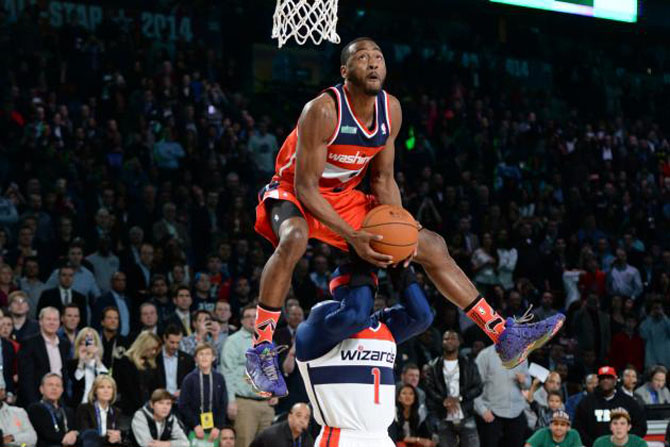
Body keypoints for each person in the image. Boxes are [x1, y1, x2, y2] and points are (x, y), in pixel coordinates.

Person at [246, 37, 565, 397]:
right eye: (362, 58)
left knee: (430, 243)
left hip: (344, 197)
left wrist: (401, 228)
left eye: (378, 57)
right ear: (344, 71)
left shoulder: (391, 110)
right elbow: (306, 188)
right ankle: (260, 348)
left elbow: (382, 180)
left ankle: (501, 334)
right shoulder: (322, 110)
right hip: (293, 191)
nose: (372, 63)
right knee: (294, 237)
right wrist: (352, 237)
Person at [295, 261, 433, 447]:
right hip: (343, 438)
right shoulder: (317, 325)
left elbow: (423, 316)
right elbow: (355, 314)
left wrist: (401, 270)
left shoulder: (381, 327)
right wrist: (360, 257)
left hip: (382, 438)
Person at [220, 304, 277, 447]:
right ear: (241, 320)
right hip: (244, 403)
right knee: (244, 443)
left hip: (266, 404)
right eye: (248, 317)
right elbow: (227, 372)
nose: (252, 320)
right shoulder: (233, 341)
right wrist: (231, 400)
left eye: (256, 317)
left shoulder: (268, 341)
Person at [423, 330, 482, 447]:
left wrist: (460, 398)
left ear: (459, 342)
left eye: (453, 338)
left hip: (466, 414)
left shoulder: (469, 364)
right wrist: (444, 400)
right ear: (442, 342)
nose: (449, 341)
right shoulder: (432, 366)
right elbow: (429, 389)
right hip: (443, 416)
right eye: (446, 339)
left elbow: (478, 387)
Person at [474, 343, 530, 447]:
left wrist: (524, 381)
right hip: (492, 413)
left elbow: (527, 384)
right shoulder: (485, 355)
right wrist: (482, 410)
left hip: (516, 411)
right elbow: (474, 386)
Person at [574, 366, 647, 447]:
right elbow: (578, 427)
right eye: (602, 378)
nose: (605, 380)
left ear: (615, 380)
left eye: (609, 378)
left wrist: (625, 442)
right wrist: (594, 444)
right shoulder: (586, 402)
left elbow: (641, 426)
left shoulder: (629, 402)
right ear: (598, 381)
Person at [18, 307, 70, 406]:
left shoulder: (64, 344)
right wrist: (35, 404)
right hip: (36, 399)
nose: (52, 323)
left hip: (59, 399)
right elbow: (26, 378)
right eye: (48, 319)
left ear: (60, 322)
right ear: (40, 321)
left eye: (55, 320)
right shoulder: (29, 343)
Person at [178, 343, 228, 442]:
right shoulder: (189, 379)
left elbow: (223, 404)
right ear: (196, 359)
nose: (204, 357)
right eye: (201, 354)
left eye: (208, 354)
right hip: (194, 428)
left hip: (214, 429)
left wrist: (218, 426)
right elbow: (183, 405)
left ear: (213, 357)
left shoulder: (219, 378)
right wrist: (195, 424)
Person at [114, 330, 162, 414]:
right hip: (129, 410)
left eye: (156, 349)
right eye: (152, 349)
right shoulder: (126, 361)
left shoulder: (152, 363)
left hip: (150, 409)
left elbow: (157, 386)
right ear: (144, 345)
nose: (154, 352)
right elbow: (126, 387)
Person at [27, 373, 79, 447]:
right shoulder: (35, 408)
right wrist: (66, 438)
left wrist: (74, 433)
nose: (54, 388)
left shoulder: (68, 411)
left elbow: (75, 430)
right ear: (41, 389)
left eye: (58, 385)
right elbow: (46, 433)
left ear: (62, 390)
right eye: (50, 385)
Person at [75, 375, 124, 446]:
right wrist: (107, 439)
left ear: (113, 391)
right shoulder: (84, 409)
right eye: (102, 387)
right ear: (95, 391)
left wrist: (118, 438)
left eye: (109, 387)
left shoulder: (116, 411)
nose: (106, 391)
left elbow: (120, 434)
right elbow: (87, 435)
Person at [37, 265, 88, 329]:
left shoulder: (80, 298)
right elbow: (39, 316)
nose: (67, 278)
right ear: (58, 277)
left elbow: (83, 321)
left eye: (70, 275)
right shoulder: (47, 295)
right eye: (64, 275)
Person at [66, 327, 108, 405]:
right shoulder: (72, 364)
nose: (88, 344)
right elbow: (77, 381)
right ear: (79, 344)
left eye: (90, 340)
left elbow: (105, 380)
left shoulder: (103, 363)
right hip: (80, 404)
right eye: (84, 341)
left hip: (99, 404)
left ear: (96, 343)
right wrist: (81, 361)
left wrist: (97, 359)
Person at [249, 402, 314, 447]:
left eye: (306, 418)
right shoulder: (274, 436)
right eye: (298, 415)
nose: (302, 421)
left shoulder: (307, 438)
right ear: (290, 417)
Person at [156, 325, 194, 397]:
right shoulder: (156, 358)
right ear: (165, 338)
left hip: (180, 401)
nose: (175, 346)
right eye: (172, 342)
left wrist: (183, 391)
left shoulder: (187, 359)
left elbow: (191, 383)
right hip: (160, 400)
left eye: (178, 343)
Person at [93, 272, 134, 338]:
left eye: (123, 280)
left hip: (126, 339)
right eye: (118, 280)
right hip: (109, 338)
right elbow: (96, 322)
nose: (121, 283)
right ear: (112, 282)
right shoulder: (103, 300)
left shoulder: (128, 300)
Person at [0, 380, 38, 447]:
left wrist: (12, 438)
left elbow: (32, 438)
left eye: (1, 389)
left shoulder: (19, 412)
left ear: (3, 391)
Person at [98, 307, 129, 372]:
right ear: (102, 322)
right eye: (109, 318)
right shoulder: (94, 339)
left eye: (116, 318)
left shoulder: (125, 342)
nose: (113, 321)